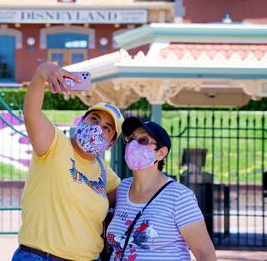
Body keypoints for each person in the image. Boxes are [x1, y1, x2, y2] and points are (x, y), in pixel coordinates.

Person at [12, 62, 125, 261]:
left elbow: (129, 196)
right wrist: (41, 74)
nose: (98, 127)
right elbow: (32, 113)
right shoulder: (55, 144)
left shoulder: (102, 170)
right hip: (41, 256)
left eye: (107, 127)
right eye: (94, 119)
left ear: (111, 143)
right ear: (82, 121)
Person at [106, 117, 216, 261]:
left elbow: (205, 253)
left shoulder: (179, 196)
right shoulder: (122, 189)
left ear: (161, 153)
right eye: (131, 139)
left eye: (143, 140)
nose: (133, 145)